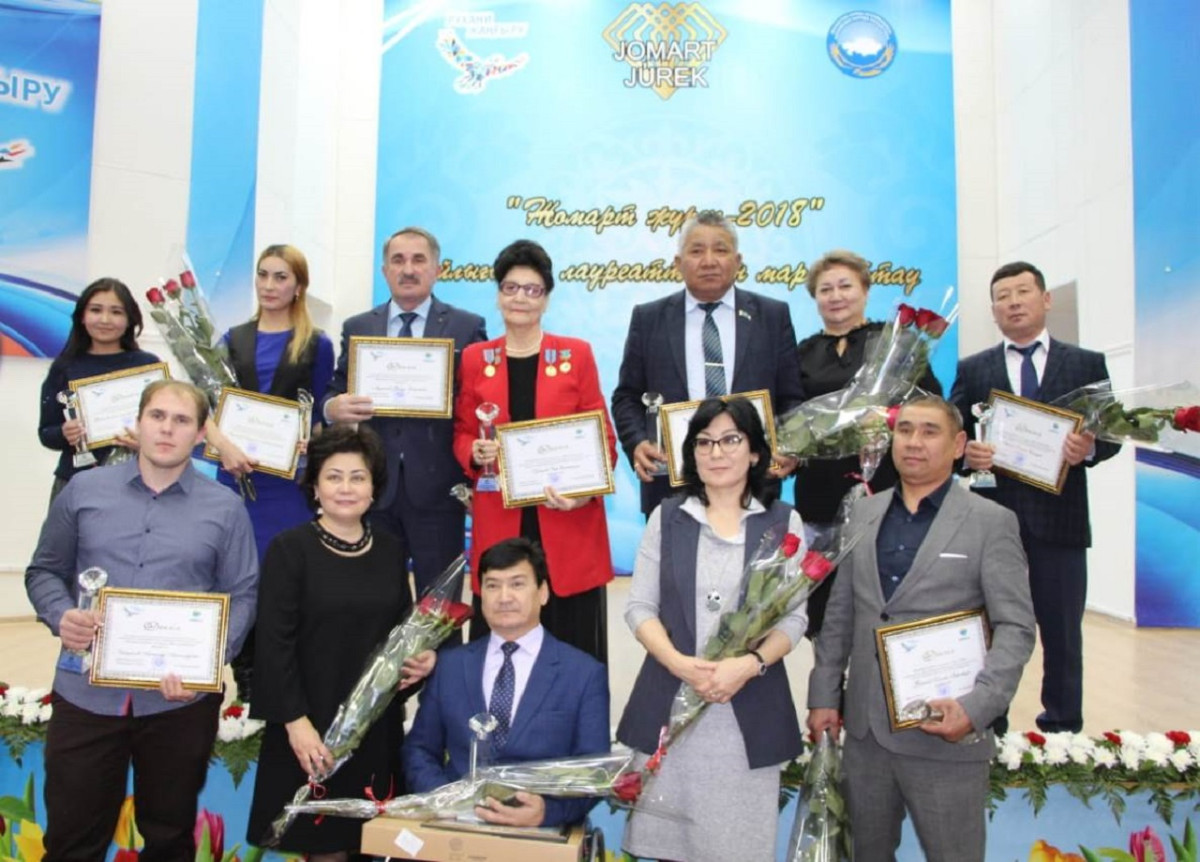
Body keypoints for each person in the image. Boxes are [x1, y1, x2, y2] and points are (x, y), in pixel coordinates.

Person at [25, 379, 258, 862]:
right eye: (157, 416)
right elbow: (44, 570)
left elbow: (243, 594)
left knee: (169, 840)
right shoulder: (84, 491)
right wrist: (61, 615)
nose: (167, 429)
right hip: (85, 695)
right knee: (70, 842)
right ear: (137, 422)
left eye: (182, 420)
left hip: (179, 704)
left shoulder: (226, 508)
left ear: (201, 435)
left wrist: (208, 665)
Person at [807, 395, 1036, 862]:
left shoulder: (991, 522)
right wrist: (824, 695)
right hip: (867, 737)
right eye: (905, 429)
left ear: (959, 445)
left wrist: (977, 706)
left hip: (947, 731)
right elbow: (841, 614)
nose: (914, 442)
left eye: (930, 431)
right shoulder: (863, 514)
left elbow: (1016, 626)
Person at [617, 397, 806, 862]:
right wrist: (679, 664)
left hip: (748, 714)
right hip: (671, 708)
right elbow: (639, 607)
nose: (716, 452)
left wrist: (749, 665)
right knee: (669, 850)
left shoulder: (783, 521)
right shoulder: (668, 518)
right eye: (704, 442)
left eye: (730, 440)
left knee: (736, 848)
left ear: (755, 452)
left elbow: (794, 618)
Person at [246, 425, 436, 859]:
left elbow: (401, 633)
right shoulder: (289, 550)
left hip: (375, 730)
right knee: (325, 848)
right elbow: (272, 645)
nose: (346, 488)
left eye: (357, 477)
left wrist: (422, 660)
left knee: (374, 845)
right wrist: (296, 724)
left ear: (374, 488)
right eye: (333, 477)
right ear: (314, 487)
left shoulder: (390, 550)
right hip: (310, 732)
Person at [949, 261, 1119, 734]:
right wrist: (967, 455)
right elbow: (953, 437)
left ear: (1045, 299)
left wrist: (1088, 449)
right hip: (992, 523)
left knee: (1062, 633)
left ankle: (1063, 731)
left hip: (1061, 522)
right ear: (993, 310)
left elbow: (1111, 435)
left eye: (1023, 292)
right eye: (1003, 296)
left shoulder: (1086, 363)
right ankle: (990, 725)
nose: (1013, 302)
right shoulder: (973, 368)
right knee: (989, 629)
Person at [453, 239, 617, 663]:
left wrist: (582, 493)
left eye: (532, 289)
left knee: (573, 656)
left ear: (546, 298)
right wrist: (475, 452)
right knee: (498, 650)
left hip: (566, 520)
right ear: (498, 294)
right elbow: (463, 432)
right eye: (510, 288)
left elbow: (603, 439)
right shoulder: (475, 358)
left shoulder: (576, 355)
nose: (520, 298)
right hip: (501, 520)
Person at [203, 244, 336, 703]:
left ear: (299, 286)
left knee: (283, 582)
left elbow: (320, 415)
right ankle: (245, 687)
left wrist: (310, 444)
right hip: (235, 478)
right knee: (237, 580)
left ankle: (282, 683)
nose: (269, 285)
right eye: (263, 275)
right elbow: (207, 409)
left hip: (287, 485)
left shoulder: (317, 344)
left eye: (281, 277)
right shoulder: (230, 339)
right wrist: (223, 445)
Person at [322, 226, 487, 594]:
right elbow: (335, 388)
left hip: (439, 490)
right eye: (398, 260)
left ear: (437, 269)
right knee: (375, 602)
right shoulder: (359, 327)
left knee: (439, 607)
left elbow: (478, 402)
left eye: (418, 260)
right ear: (385, 271)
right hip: (373, 490)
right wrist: (333, 407)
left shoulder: (466, 326)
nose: (408, 269)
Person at [403, 537, 610, 828]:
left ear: (543, 593)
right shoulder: (450, 665)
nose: (504, 597)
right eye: (492, 585)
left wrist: (547, 812)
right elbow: (420, 749)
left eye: (517, 584)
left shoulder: (583, 673)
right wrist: (444, 798)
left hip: (538, 836)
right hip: (454, 827)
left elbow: (595, 769)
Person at [611, 210, 806, 518]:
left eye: (721, 250)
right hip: (672, 488)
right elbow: (627, 397)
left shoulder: (772, 316)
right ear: (678, 263)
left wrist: (791, 444)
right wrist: (637, 443)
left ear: (738, 261)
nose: (709, 261)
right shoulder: (648, 319)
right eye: (697, 251)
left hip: (755, 485)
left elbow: (791, 397)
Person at [793, 250, 942, 638]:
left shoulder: (895, 344)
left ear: (865, 290)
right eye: (825, 289)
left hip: (883, 488)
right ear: (814, 297)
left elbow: (932, 406)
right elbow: (788, 416)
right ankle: (827, 675)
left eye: (845, 286)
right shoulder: (802, 353)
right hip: (819, 494)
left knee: (882, 600)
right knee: (822, 608)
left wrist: (889, 420)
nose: (836, 296)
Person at [37, 277, 160, 499]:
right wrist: (65, 432)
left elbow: (167, 425)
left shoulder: (148, 366)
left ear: (129, 319)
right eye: (95, 310)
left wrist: (146, 442)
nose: (105, 319)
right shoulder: (64, 367)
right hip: (75, 483)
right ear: (82, 316)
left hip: (137, 484)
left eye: (116, 312)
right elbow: (46, 433)